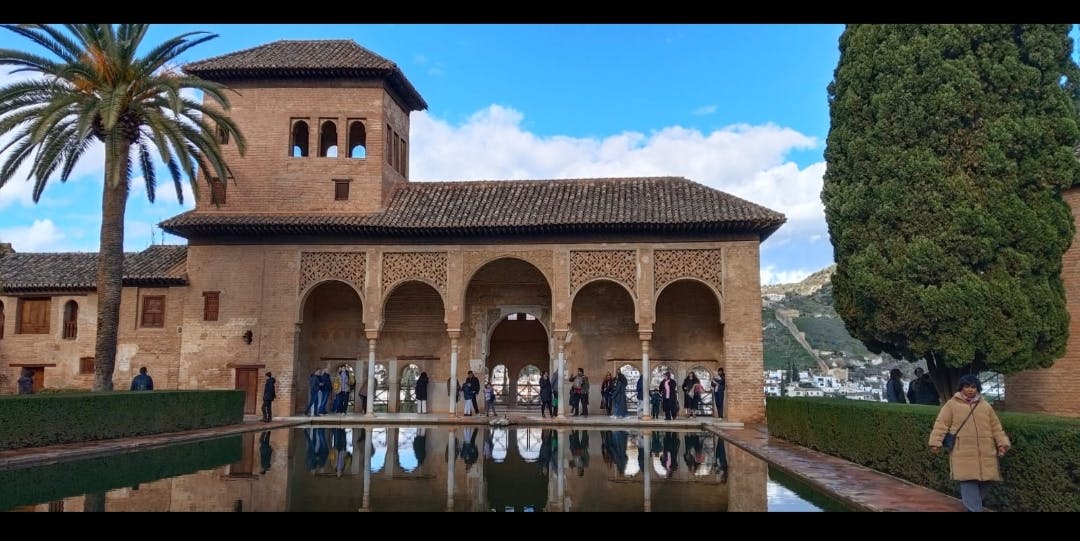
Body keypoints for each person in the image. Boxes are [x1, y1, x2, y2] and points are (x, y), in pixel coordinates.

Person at [928, 374, 1010, 512]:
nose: (970, 389)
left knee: (988, 480)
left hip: (986, 451)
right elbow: (941, 424)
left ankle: (972, 507)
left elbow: (996, 426)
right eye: (967, 386)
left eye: (973, 387)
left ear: (977, 388)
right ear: (961, 388)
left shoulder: (985, 406)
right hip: (963, 451)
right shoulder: (951, 405)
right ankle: (974, 509)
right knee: (968, 482)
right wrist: (935, 443)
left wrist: (1002, 443)